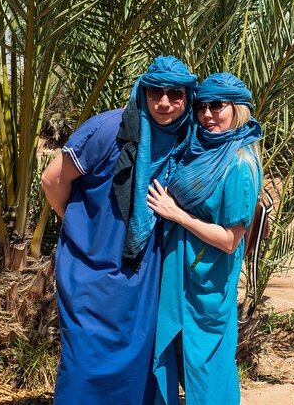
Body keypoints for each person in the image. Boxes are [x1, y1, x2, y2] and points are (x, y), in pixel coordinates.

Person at [41, 55, 197, 404]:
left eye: (175, 94)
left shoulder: (188, 140)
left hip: (145, 276)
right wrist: (83, 226)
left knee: (140, 360)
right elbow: (52, 179)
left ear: (188, 98)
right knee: (85, 359)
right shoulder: (110, 129)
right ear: (143, 92)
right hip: (90, 272)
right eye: (156, 92)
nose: (165, 103)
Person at [148, 72, 263, 405]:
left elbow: (230, 240)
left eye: (217, 106)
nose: (207, 115)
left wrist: (176, 214)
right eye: (201, 107)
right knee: (175, 358)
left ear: (237, 109)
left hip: (209, 283)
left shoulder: (240, 164)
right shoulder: (200, 150)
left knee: (209, 369)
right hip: (180, 275)